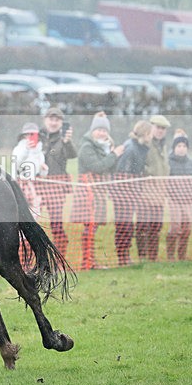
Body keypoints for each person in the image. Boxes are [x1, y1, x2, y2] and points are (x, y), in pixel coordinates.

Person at [76, 112, 124, 269]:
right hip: (88, 194)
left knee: (94, 226)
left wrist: (112, 155)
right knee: (89, 226)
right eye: (99, 129)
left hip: (99, 192)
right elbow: (98, 167)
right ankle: (87, 261)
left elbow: (110, 167)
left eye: (105, 130)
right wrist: (114, 154)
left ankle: (91, 260)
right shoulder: (86, 147)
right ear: (92, 130)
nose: (102, 133)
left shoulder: (105, 148)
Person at [111, 120, 152, 266]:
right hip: (123, 195)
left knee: (128, 226)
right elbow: (123, 173)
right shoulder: (131, 148)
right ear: (145, 134)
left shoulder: (140, 147)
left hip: (131, 194)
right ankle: (122, 257)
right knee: (124, 226)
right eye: (150, 134)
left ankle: (125, 256)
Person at [37, 106, 76, 256]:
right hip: (38, 185)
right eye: (51, 119)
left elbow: (72, 155)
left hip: (56, 187)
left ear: (61, 122)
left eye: (57, 120)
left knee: (56, 223)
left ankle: (60, 255)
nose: (53, 122)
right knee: (32, 221)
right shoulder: (36, 136)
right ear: (45, 120)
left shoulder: (63, 139)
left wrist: (67, 141)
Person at [138, 114, 171, 261]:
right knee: (143, 227)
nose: (160, 131)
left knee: (156, 227)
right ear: (151, 127)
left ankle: (153, 256)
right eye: (158, 127)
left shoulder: (163, 146)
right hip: (145, 195)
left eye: (163, 128)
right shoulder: (145, 144)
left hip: (159, 195)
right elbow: (140, 166)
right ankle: (142, 256)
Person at [166, 131, 192, 260]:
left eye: (184, 146)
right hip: (175, 200)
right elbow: (166, 180)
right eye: (179, 146)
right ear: (174, 147)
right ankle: (170, 255)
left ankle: (182, 255)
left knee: (187, 228)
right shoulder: (169, 162)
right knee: (175, 227)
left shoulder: (191, 163)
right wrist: (171, 193)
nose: (181, 149)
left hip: (189, 200)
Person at [11, 121, 48, 217]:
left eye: (33, 134)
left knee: (35, 212)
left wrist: (44, 170)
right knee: (21, 211)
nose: (30, 137)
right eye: (28, 134)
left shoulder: (39, 152)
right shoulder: (18, 149)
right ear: (24, 136)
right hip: (21, 184)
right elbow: (16, 164)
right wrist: (26, 150)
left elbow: (42, 174)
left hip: (35, 186)